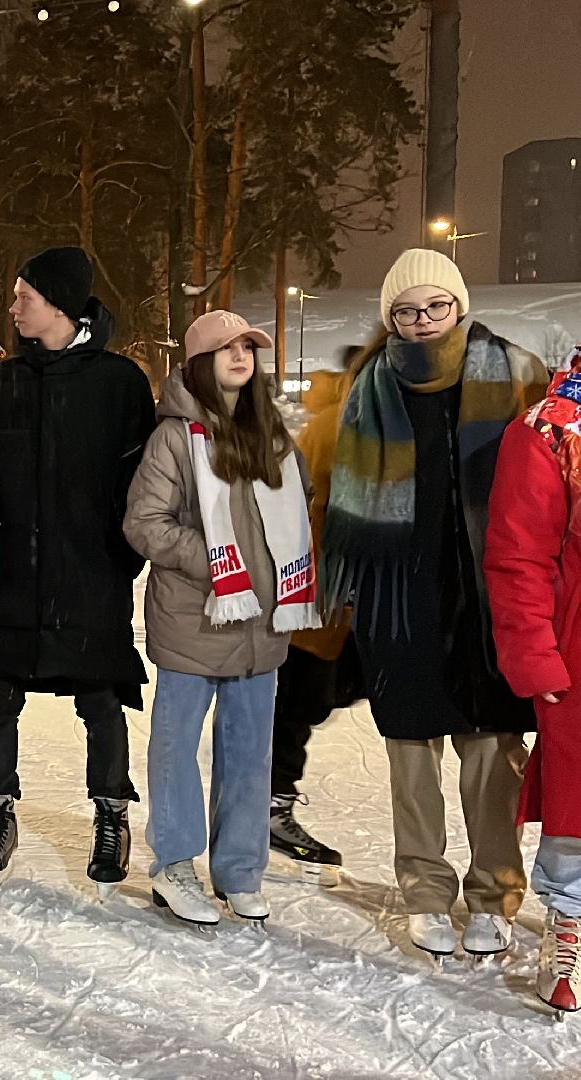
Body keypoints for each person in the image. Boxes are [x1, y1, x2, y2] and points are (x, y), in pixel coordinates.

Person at [321, 248, 544, 958]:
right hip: (400, 594)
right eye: (405, 312)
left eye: (434, 307)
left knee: (491, 751)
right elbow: (340, 488)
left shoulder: (515, 374)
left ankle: (492, 894)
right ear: (391, 319)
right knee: (411, 754)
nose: (421, 323)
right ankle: (423, 888)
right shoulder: (371, 386)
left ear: (459, 306)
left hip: (489, 593)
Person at [0, 246, 155, 898]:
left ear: (60, 305)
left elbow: (142, 481)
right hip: (12, 573)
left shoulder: (120, 384)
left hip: (90, 575)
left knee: (101, 698)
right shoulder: (1, 382)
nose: (14, 307)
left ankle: (111, 817)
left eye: (25, 297)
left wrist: (119, 557)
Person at [125, 311, 317, 927]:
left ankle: (239, 870)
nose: (240, 356)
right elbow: (144, 524)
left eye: (248, 347)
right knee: (178, 749)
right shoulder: (175, 438)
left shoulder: (274, 436)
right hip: (196, 620)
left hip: (263, 624)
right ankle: (175, 866)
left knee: (250, 752)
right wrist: (215, 561)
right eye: (226, 348)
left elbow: (299, 515)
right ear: (201, 362)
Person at [485, 344, 581, 1015]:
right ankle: (570, 919)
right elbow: (519, 555)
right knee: (578, 799)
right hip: (578, 652)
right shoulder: (549, 429)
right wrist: (534, 654)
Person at [268, 358, 366, 885]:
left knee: (313, 697)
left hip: (330, 598)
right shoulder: (344, 422)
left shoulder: (343, 414)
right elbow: (319, 510)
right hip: (320, 595)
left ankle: (269, 802)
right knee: (302, 700)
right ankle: (269, 808)